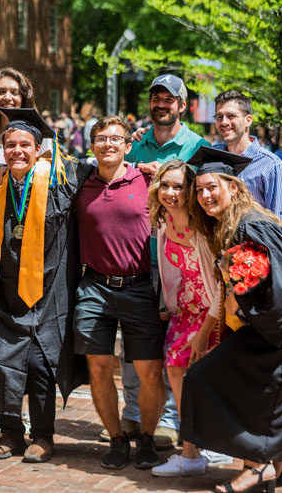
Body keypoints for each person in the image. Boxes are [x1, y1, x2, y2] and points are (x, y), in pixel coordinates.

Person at [182, 146, 282, 493]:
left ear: (235, 188)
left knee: (213, 377)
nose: (205, 195)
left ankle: (257, 467)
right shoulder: (236, 226)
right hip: (273, 325)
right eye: (199, 190)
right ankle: (277, 459)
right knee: (215, 377)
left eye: (212, 187)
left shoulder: (251, 227)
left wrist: (238, 302)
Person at [0, 108, 90, 464]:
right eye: (9, 145)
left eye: (24, 145)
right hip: (7, 290)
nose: (16, 151)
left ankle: (43, 435)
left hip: (49, 289)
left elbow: (95, 166)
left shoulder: (61, 178)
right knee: (4, 358)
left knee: (43, 362)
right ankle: (9, 433)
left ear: (39, 148)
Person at [117, 74, 211, 450]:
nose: (161, 104)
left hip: (181, 255)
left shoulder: (197, 147)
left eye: (168, 99)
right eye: (156, 98)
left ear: (182, 105)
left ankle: (172, 416)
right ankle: (135, 412)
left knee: (178, 336)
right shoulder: (136, 144)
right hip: (139, 252)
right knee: (136, 335)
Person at [72, 116, 164, 470]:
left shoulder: (147, 180)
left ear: (128, 145)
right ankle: (116, 438)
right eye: (100, 138)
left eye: (115, 138)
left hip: (139, 287)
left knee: (149, 372)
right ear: (91, 144)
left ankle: (146, 439)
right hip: (94, 287)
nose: (107, 144)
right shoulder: (81, 181)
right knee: (98, 369)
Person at [146, 160, 222, 477]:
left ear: (190, 190)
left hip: (213, 312)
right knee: (175, 371)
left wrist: (207, 331)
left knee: (197, 376)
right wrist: (168, 301)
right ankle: (192, 450)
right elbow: (173, 271)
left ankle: (201, 448)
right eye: (165, 185)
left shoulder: (202, 225)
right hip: (185, 308)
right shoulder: (163, 219)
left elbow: (221, 282)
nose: (170, 192)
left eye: (179, 186)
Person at [211, 90, 282, 234]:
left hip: (253, 252)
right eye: (219, 117)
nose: (224, 122)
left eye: (231, 116)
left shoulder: (271, 165)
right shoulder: (212, 156)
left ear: (248, 120)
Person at [0, 68, 55, 164]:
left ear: (23, 98)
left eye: (14, 92)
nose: (7, 98)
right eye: (1, 92)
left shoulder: (40, 135)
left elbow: (45, 173)